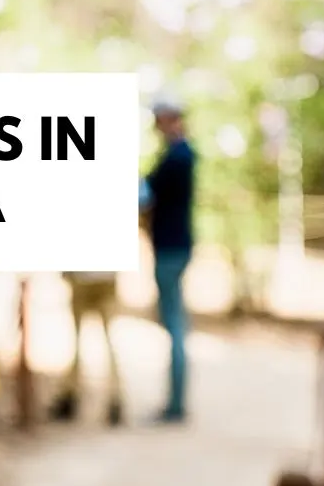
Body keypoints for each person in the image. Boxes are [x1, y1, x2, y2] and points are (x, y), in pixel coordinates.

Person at [143, 95, 197, 424]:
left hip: (170, 248)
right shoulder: (179, 154)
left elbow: (146, 195)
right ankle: (175, 401)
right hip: (174, 246)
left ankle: (176, 404)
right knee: (174, 321)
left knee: (174, 323)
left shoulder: (178, 157)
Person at [46, 270, 124, 426]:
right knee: (109, 340)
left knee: (77, 339)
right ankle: (115, 397)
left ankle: (70, 394)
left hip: (81, 276)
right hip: (106, 276)